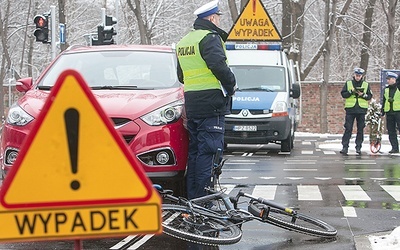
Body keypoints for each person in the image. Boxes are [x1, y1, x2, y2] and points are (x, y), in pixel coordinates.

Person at [176, 0, 236, 199]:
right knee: (209, 153)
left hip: (193, 104)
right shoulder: (209, 38)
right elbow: (219, 67)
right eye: (218, 17)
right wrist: (232, 86)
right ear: (211, 18)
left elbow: (181, 76)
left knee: (195, 153)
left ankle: (193, 198)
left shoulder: (185, 42)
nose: (219, 21)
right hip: (212, 104)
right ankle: (204, 201)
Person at [340, 67, 373, 156]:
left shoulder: (366, 84)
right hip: (350, 109)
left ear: (362, 76)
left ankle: (358, 147)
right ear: (354, 75)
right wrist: (351, 92)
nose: (358, 77)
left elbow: (369, 96)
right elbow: (343, 94)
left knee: (360, 129)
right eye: (356, 75)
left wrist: (362, 95)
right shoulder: (348, 83)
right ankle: (345, 146)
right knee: (348, 128)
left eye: (359, 75)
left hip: (361, 110)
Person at [381, 72, 400, 153]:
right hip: (389, 112)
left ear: (394, 79)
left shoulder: (398, 88)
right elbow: (384, 100)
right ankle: (394, 147)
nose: (388, 81)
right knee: (391, 131)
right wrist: (382, 110)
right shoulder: (386, 89)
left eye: (389, 79)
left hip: (398, 112)